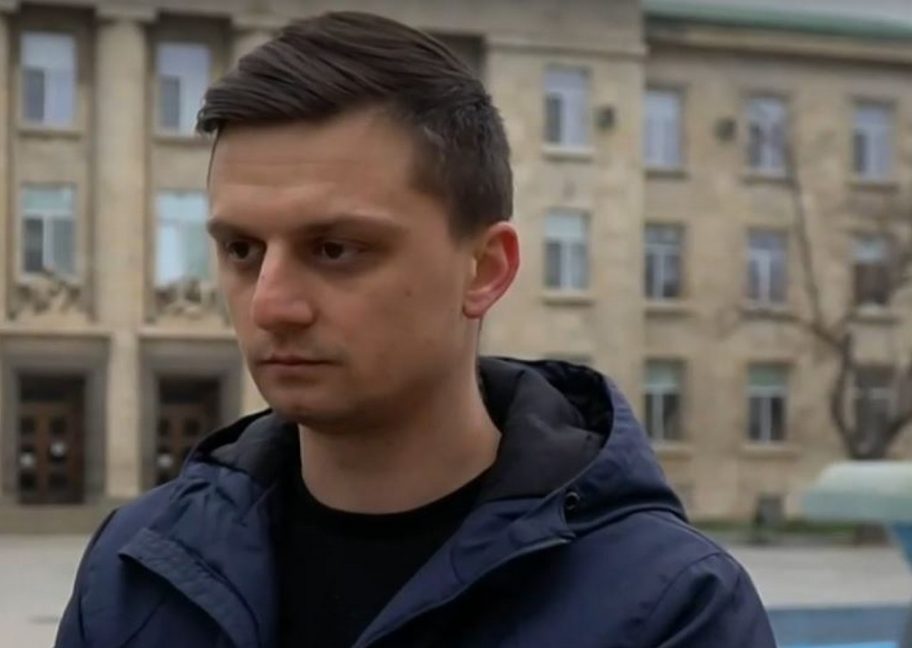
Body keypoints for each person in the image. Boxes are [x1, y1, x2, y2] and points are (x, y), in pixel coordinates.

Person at [55, 11, 775, 648]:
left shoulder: (667, 609)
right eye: (242, 250)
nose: (271, 305)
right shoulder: (135, 570)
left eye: (335, 249)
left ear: (484, 269)